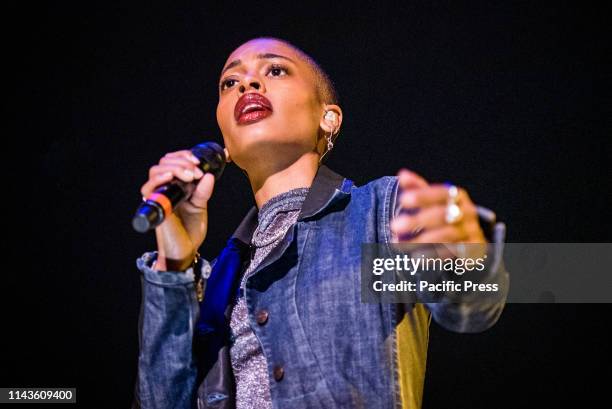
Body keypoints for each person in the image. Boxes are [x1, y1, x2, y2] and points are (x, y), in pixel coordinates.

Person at [132, 37, 509, 409]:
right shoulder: (218, 281)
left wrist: (463, 255)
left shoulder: (379, 216)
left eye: (275, 70)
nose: (247, 84)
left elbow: (472, 307)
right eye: (230, 83)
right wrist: (174, 265)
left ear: (328, 118)